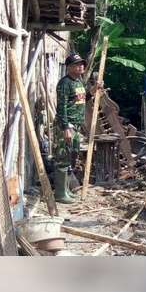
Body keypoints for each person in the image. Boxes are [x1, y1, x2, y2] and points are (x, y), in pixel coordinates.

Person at [53, 53, 91, 204]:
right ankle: (60, 194)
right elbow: (61, 107)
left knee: (71, 157)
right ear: (69, 67)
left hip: (76, 125)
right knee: (62, 157)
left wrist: (92, 93)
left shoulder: (79, 82)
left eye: (82, 64)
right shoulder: (65, 83)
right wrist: (65, 127)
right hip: (67, 126)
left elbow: (80, 100)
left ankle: (67, 190)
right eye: (77, 64)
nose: (81, 66)